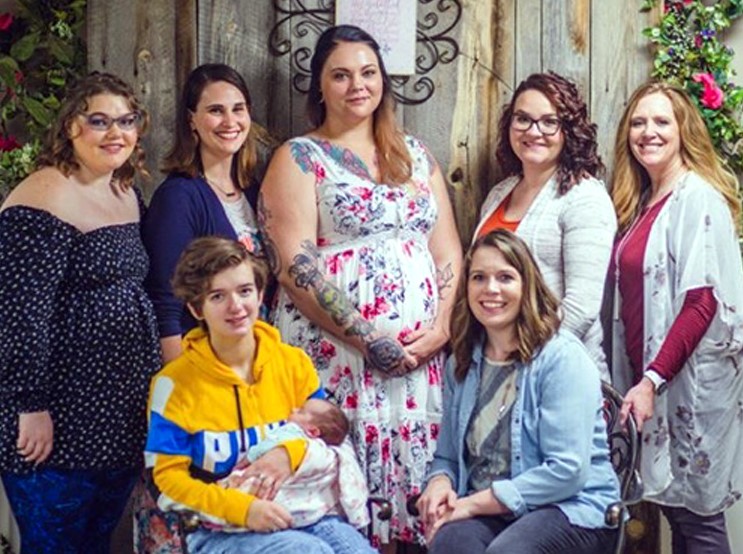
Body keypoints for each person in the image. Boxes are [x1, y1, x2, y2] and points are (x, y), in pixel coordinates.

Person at [260, 24, 463, 550]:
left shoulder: (416, 155)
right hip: (339, 354)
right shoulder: (299, 157)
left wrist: (442, 327)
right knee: (345, 497)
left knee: (417, 500)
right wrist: (368, 338)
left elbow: (447, 250)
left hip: (417, 358)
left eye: (368, 72)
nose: (358, 85)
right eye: (341, 75)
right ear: (319, 85)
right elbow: (294, 266)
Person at [0, 72, 161, 553]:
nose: (117, 133)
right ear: (70, 126)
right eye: (99, 121)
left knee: (95, 542)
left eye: (127, 121)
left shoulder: (124, 191)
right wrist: (30, 406)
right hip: (58, 416)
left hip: (116, 414)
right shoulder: (43, 196)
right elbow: (18, 315)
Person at [145, 236, 375, 554]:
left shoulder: (293, 363)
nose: (236, 306)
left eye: (244, 291)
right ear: (197, 308)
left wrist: (289, 454)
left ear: (260, 293)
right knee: (306, 552)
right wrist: (243, 510)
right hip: (220, 529)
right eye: (217, 296)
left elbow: (330, 438)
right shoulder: (173, 384)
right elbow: (165, 484)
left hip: (304, 511)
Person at [416, 229, 620, 554]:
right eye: (478, 278)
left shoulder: (561, 358)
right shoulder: (462, 363)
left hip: (571, 508)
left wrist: (470, 505)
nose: (490, 289)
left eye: (505, 277)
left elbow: (567, 472)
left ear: (527, 286)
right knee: (449, 544)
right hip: (493, 511)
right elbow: (447, 457)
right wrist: (439, 483)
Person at [611, 81, 743, 553]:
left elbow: (702, 302)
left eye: (661, 121)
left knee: (698, 521)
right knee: (678, 515)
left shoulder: (697, 198)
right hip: (652, 381)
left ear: (683, 130)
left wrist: (651, 380)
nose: (648, 132)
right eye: (638, 122)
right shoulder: (643, 202)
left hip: (687, 387)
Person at [473, 72, 616, 380]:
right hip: (495, 368)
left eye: (549, 122)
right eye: (523, 119)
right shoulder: (499, 194)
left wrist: (522, 360)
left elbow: (581, 308)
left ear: (568, 130)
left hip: (557, 373)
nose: (534, 131)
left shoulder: (584, 197)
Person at [142, 63, 267, 365]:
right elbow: (166, 303)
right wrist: (180, 378)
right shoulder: (178, 197)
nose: (230, 121)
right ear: (192, 120)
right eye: (215, 111)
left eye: (238, 109)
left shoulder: (254, 190)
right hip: (204, 361)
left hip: (254, 358)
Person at [218, 398, 370, 531]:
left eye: (301, 411)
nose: (293, 409)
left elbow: (264, 447)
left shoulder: (291, 430)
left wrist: (246, 461)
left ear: (313, 431)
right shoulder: (318, 443)